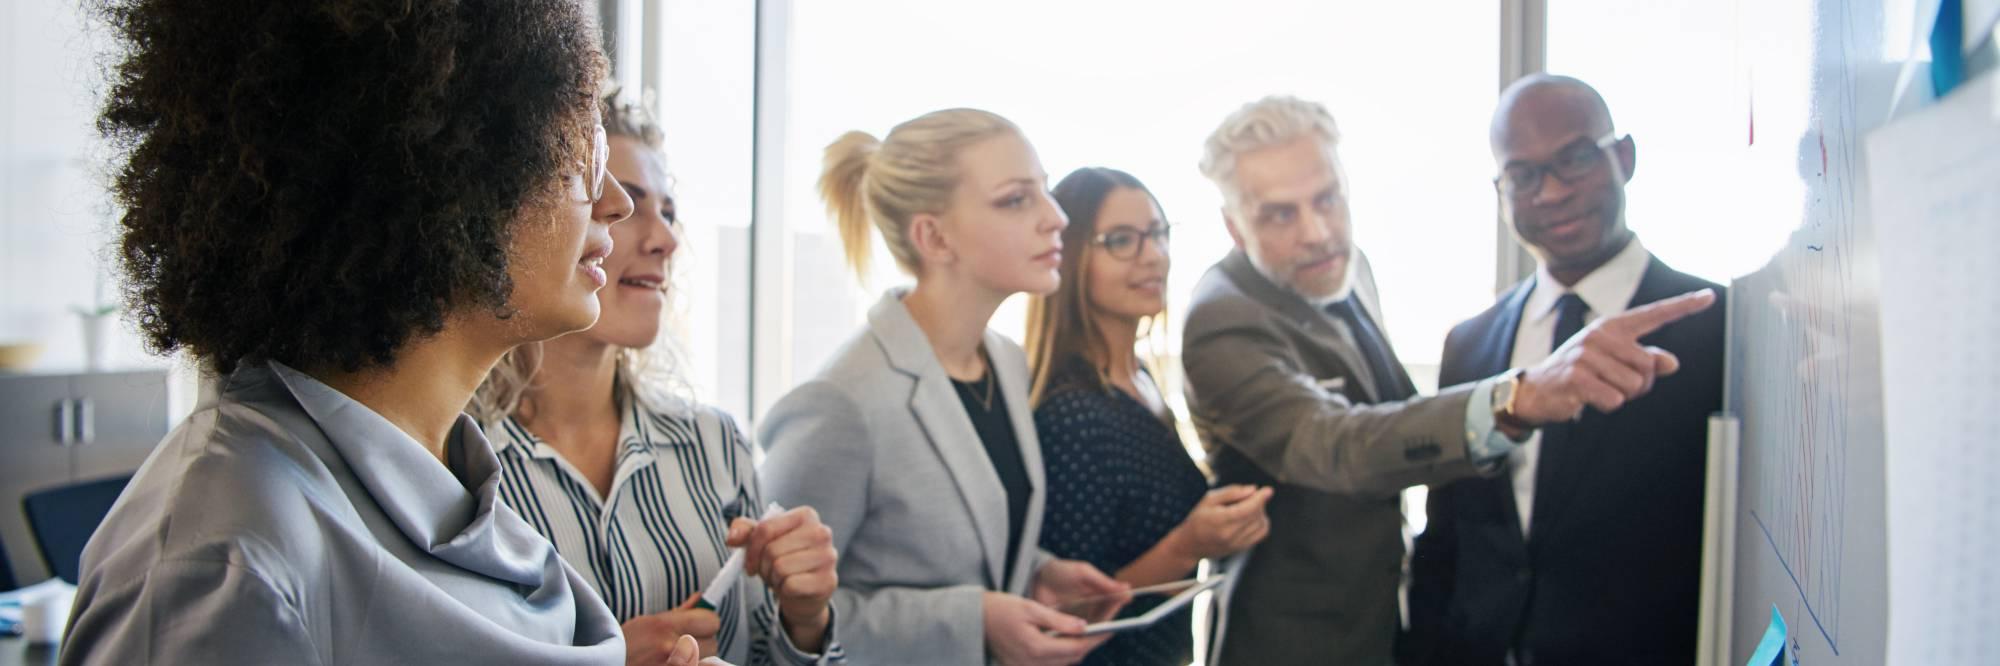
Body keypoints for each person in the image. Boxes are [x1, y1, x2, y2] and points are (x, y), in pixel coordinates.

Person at [57, 0, 704, 663]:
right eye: (580, 155)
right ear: (447, 175)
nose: (615, 205)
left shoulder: (448, 483)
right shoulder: (225, 565)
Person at [1179, 95, 1715, 665]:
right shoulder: (1221, 320)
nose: (1318, 232)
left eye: (1328, 198)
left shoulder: (1345, 265)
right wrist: (1519, 398)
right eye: (1280, 214)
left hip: (1393, 632)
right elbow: (1338, 445)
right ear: (1235, 227)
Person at [470, 98, 844, 666]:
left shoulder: (714, 445)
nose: (665, 239)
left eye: (668, 212)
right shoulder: (458, 463)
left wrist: (807, 619)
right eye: (622, 204)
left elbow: (768, 653)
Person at [757, 108, 1130, 665]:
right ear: (933, 236)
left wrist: (1036, 572)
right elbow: (767, 616)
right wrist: (973, 619)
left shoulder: (1004, 362)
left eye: (1045, 192)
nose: (1055, 218)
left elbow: (956, 546)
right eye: (1016, 199)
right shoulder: (842, 402)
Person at [1402, 74, 1726, 666]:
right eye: (1523, 176)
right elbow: (1446, 537)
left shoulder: (1721, 328)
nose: (1550, 193)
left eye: (1574, 160)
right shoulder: (1470, 345)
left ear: (1622, 158)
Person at [1024, 167, 1271, 666]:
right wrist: (1190, 543)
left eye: (1158, 234)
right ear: (1068, 256)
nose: (1153, 255)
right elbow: (1070, 609)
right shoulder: (1075, 417)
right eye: (1121, 240)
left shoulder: (1138, 378)